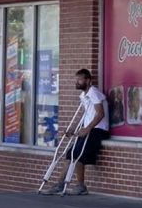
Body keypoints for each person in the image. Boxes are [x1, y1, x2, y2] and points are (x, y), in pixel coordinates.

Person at [42, 68, 108, 196]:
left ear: (88, 80)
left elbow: (100, 114)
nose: (76, 82)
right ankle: (70, 185)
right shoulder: (84, 95)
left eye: (79, 79)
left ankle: (71, 185)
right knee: (71, 153)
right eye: (76, 79)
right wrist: (74, 128)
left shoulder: (93, 93)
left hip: (98, 130)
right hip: (89, 128)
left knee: (75, 153)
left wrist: (87, 129)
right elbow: (86, 114)